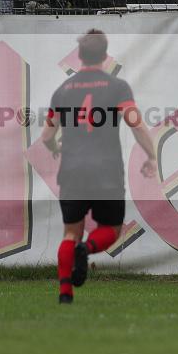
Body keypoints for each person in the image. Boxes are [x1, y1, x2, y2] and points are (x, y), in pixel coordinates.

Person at [41, 29, 157, 304]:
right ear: (105, 56)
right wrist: (151, 156)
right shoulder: (117, 87)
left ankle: (65, 292)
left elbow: (46, 137)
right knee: (112, 228)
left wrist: (56, 149)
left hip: (71, 170)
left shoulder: (62, 91)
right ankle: (87, 248)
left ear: (79, 56)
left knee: (70, 231)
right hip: (106, 170)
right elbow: (136, 124)